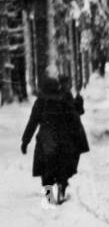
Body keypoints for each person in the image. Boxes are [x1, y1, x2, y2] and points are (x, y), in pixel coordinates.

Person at [20, 74, 90, 204]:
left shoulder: (40, 102)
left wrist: (25, 141)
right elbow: (74, 116)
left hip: (46, 140)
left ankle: (48, 197)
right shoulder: (63, 99)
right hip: (63, 139)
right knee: (62, 167)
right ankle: (62, 189)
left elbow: (32, 122)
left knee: (45, 169)